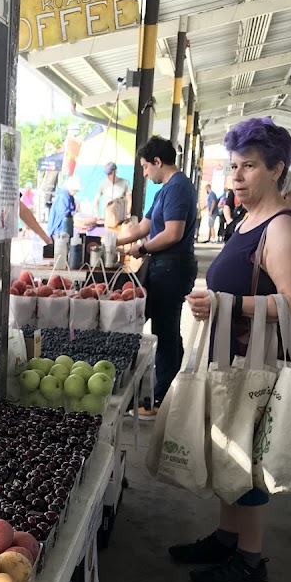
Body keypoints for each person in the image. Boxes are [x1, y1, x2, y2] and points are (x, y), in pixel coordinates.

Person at [172, 117, 291, 582]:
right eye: (234, 165)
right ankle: (227, 538)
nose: (236, 176)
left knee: (248, 458)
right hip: (232, 357)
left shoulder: (282, 227)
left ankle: (250, 559)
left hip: (257, 364)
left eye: (248, 166)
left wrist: (225, 304)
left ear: (276, 169)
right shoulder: (249, 219)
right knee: (230, 451)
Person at [116, 135, 199, 418]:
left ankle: (163, 400)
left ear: (158, 161)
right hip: (161, 266)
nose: (144, 173)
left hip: (172, 267)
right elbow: (146, 226)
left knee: (164, 333)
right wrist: (114, 242)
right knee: (165, 330)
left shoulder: (178, 188)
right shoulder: (165, 189)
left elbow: (172, 233)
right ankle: (169, 390)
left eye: (145, 167)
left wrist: (141, 249)